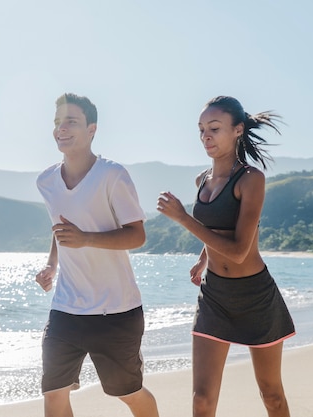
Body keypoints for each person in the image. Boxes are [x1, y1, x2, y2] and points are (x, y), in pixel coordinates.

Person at [156, 95, 296, 417]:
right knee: (202, 399)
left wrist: (182, 219)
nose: (206, 136)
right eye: (202, 129)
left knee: (272, 395)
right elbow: (215, 229)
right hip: (215, 295)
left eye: (215, 128)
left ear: (237, 130)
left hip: (255, 296)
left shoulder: (250, 179)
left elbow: (238, 249)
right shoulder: (201, 180)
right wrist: (203, 260)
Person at [35, 93, 159, 417]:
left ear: (92, 129)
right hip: (65, 308)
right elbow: (60, 229)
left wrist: (86, 238)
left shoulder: (112, 175)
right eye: (57, 123)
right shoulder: (46, 181)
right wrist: (52, 263)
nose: (62, 129)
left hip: (116, 311)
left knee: (128, 393)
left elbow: (138, 235)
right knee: (53, 393)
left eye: (71, 122)